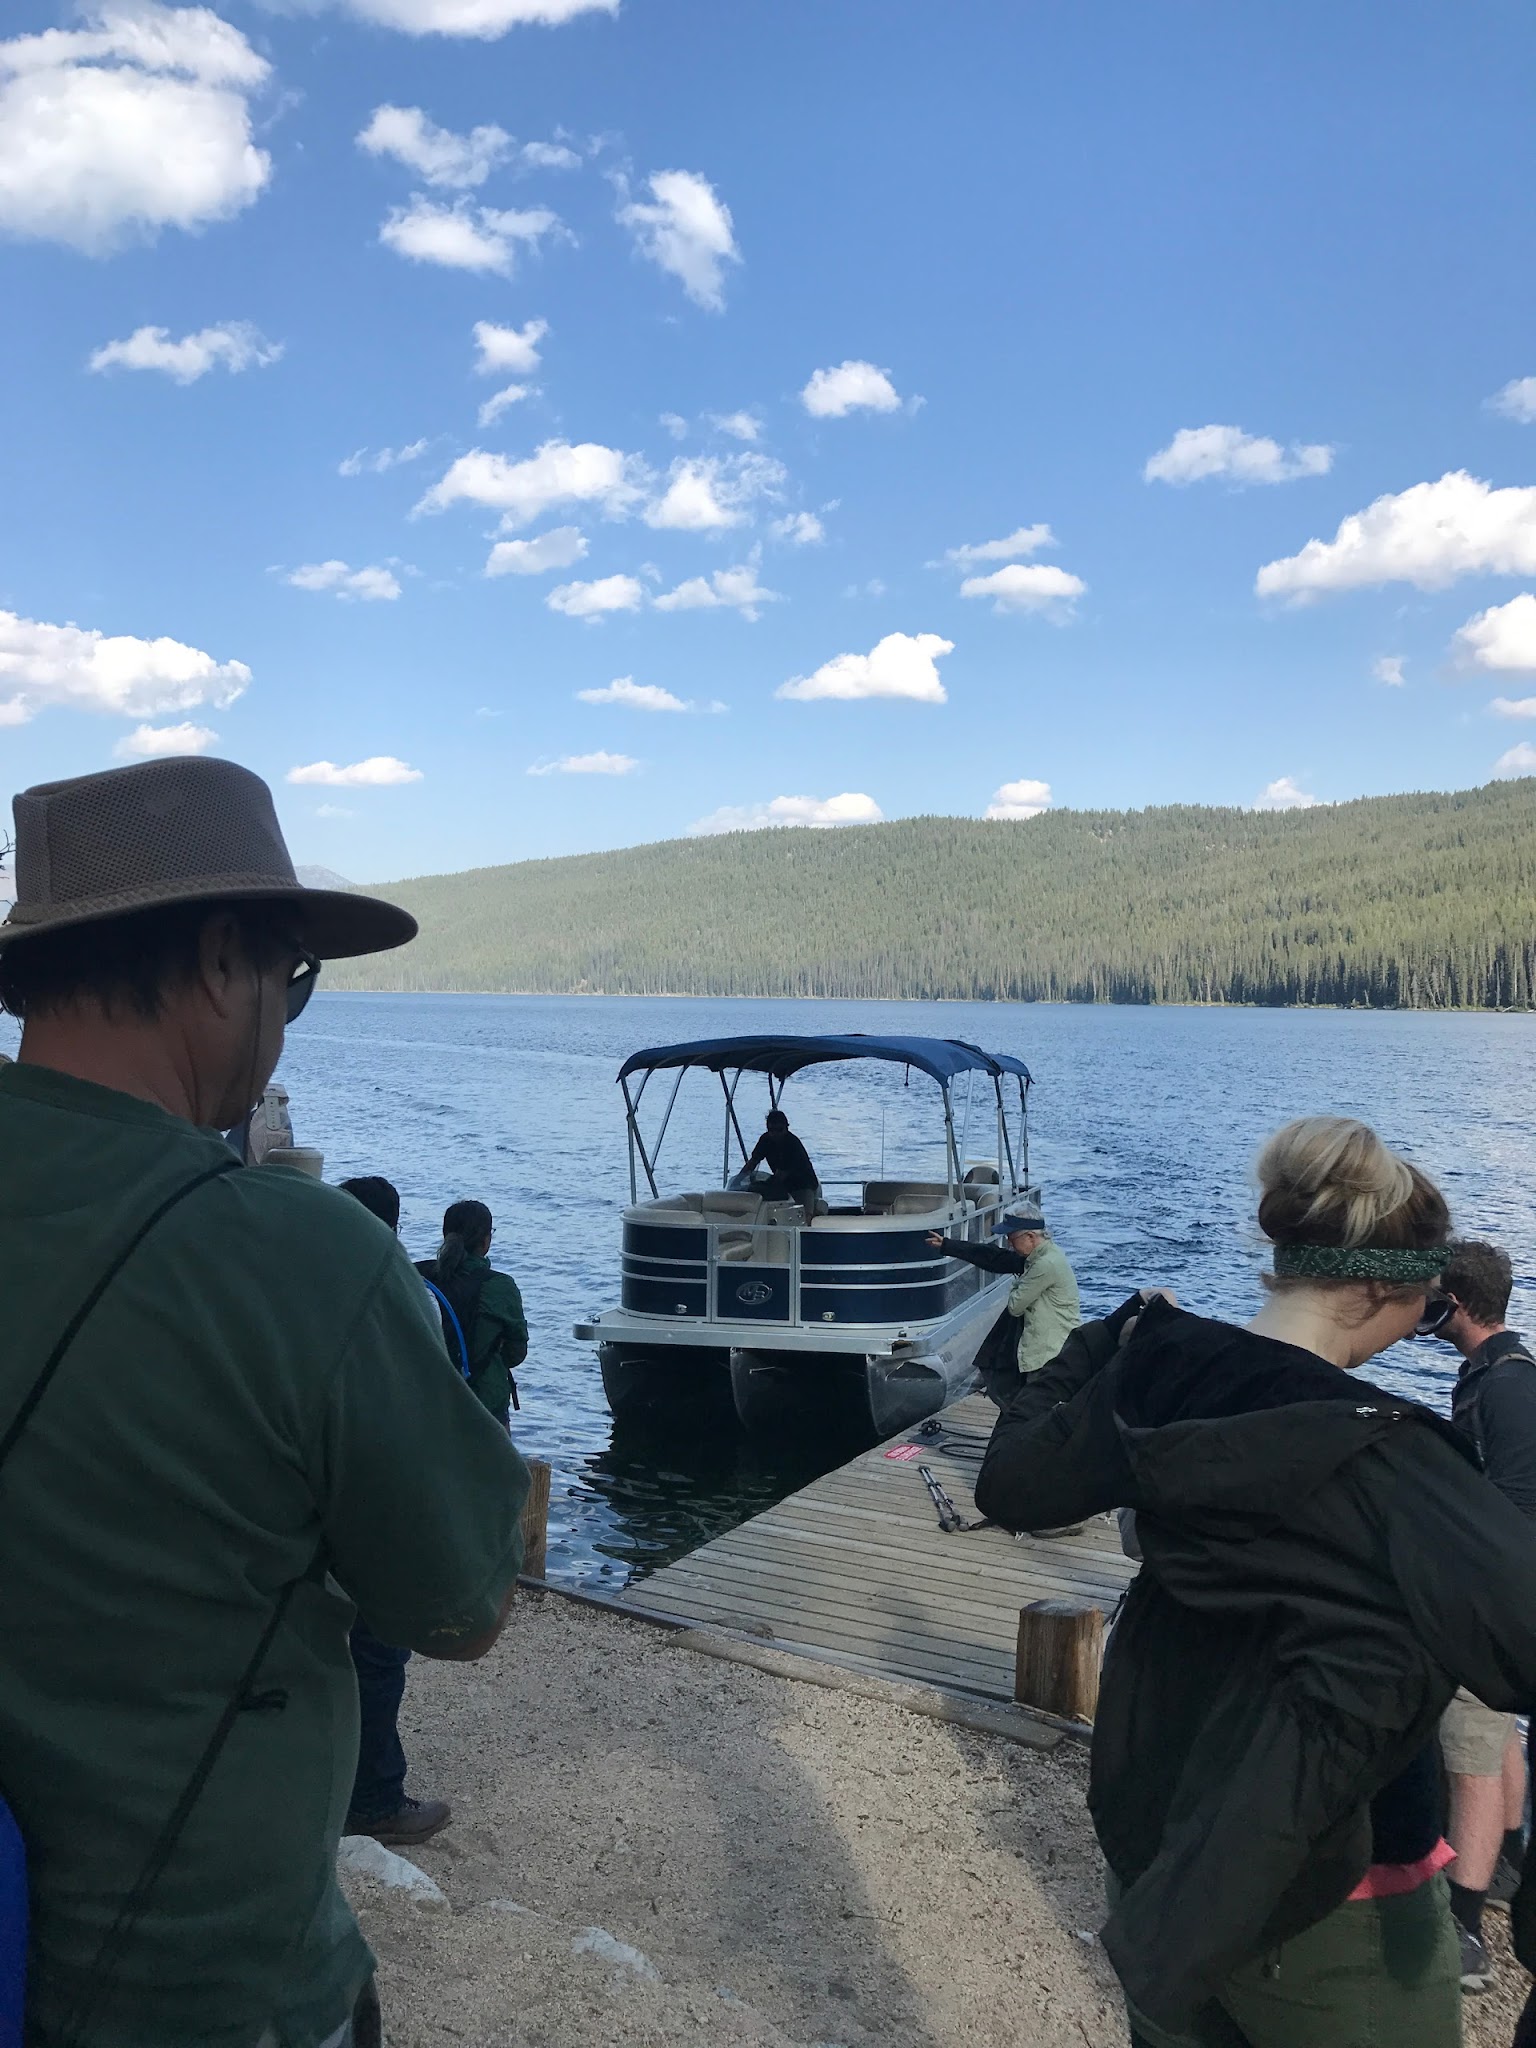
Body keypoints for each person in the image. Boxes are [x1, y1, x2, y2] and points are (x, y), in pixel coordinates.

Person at [0, 757, 530, 2048]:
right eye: (292, 978)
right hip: (206, 1991)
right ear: (218, 957)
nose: (285, 1021)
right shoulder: (302, 1255)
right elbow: (462, 1606)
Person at [974, 1116, 1536, 2048]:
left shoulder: (1162, 1363)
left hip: (1158, 1842)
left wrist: (1106, 1336)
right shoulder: (1397, 1457)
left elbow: (1010, 1484)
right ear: (1375, 1286)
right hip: (1333, 1890)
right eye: (1424, 1300)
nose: (1422, 1322)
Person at [1429, 1241, 1536, 1985]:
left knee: (1467, 1743)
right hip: (1508, 1588)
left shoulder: (1506, 1388)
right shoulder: (1494, 1374)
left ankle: (1462, 1928)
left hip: (1499, 1592)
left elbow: (1517, 1507)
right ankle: (1506, 1862)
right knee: (1495, 1731)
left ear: (1457, 1303)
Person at [336, 1176, 452, 1849]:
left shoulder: (306, 1283)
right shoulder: (410, 1294)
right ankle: (376, 1799)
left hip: (313, 1490)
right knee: (378, 1652)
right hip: (375, 1499)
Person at [927, 1199, 1080, 1392]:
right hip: (1049, 1350)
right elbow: (994, 1257)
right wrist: (948, 1245)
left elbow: (1015, 1306)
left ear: (1030, 1237)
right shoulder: (1040, 1256)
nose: (1009, 1243)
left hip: (1048, 1354)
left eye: (1012, 1237)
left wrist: (1018, 1281)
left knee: (1034, 1404)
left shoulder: (1043, 1265)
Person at [417, 1200, 528, 1430]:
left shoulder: (416, 1274)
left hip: (424, 1396)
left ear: (445, 1235)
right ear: (486, 1241)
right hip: (483, 1403)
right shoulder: (500, 1286)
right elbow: (516, 1353)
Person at [744, 1108, 819, 1212]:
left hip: (803, 1184)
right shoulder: (765, 1140)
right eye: (771, 1130)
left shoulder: (792, 1144)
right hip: (784, 1184)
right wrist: (740, 1179)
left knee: (802, 1215)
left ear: (786, 1128)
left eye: (779, 1130)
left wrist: (764, 1185)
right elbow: (753, 1162)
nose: (775, 1134)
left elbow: (782, 1174)